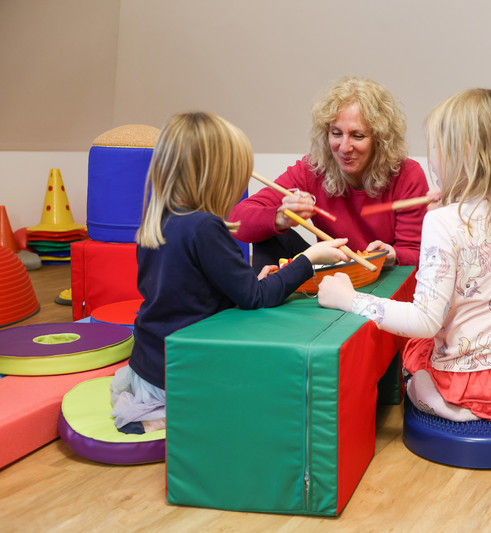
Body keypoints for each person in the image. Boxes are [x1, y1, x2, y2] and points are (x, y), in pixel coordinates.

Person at [317, 89, 491, 444]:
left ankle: (458, 408)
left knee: (415, 366)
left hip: (475, 379)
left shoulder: (441, 224)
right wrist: (448, 209)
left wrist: (348, 299)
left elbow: (423, 321)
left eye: (435, 147)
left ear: (464, 153)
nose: (430, 158)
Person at [109, 111, 348, 434]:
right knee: (269, 390)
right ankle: (166, 417)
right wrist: (309, 258)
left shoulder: (161, 219)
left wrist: (251, 282)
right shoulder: (205, 226)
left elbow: (188, 292)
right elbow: (255, 300)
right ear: (215, 176)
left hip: (147, 362)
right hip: (182, 372)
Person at [229, 77, 430, 272]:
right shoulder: (313, 168)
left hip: (381, 278)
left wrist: (393, 254)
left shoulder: (407, 174)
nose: (344, 147)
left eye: (357, 135)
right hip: (331, 271)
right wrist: (281, 218)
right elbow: (237, 221)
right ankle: (267, 300)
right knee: (268, 232)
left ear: (380, 139)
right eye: (336, 133)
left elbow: (417, 255)